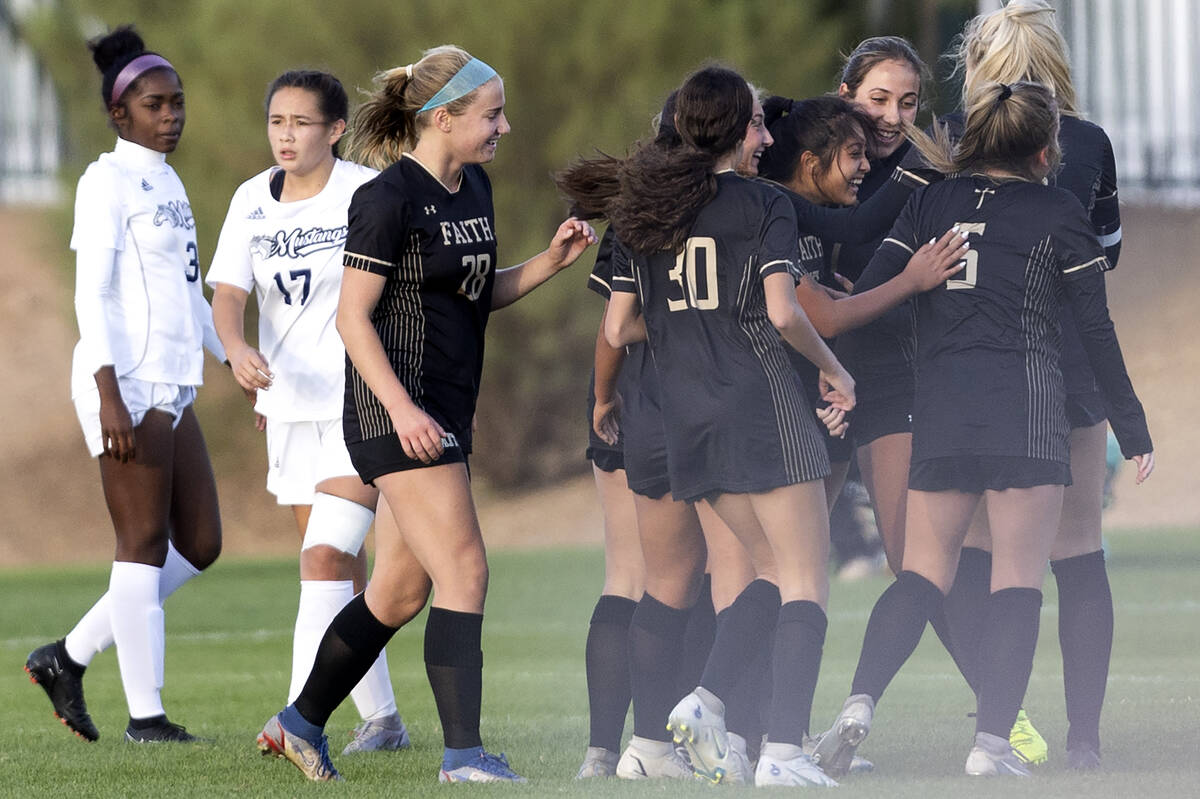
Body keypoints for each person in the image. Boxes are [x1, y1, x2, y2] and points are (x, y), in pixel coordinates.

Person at [254, 45, 596, 783]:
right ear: (443, 118)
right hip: (396, 415)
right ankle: (464, 757)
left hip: (441, 411)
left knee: (400, 590)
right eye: (491, 114)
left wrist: (549, 262)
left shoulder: (473, 187)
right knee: (466, 570)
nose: (504, 125)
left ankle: (298, 721)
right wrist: (404, 408)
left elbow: (477, 294)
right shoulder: (385, 200)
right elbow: (352, 319)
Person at [811, 81, 1153, 779]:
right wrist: (1133, 425)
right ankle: (990, 746)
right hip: (1027, 414)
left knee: (922, 575)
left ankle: (858, 701)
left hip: (940, 414)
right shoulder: (1059, 212)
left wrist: (835, 367)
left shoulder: (933, 202)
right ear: (1043, 148)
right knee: (1018, 581)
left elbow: (878, 288)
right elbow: (1095, 328)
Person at [938, 0, 1127, 770]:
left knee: (971, 554)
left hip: (968, 368)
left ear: (978, 61)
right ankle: (1083, 740)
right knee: (1078, 549)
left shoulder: (948, 138)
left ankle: (998, 721)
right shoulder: (1086, 143)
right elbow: (1105, 255)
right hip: (1069, 365)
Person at [24, 25, 225, 744]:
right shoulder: (103, 182)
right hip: (127, 381)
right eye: (154, 104)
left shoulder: (169, 183)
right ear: (120, 113)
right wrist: (109, 390)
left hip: (174, 381)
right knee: (139, 541)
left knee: (199, 542)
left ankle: (67, 656)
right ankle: (148, 716)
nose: (170, 115)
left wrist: (241, 360)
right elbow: (92, 295)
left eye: (177, 103)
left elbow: (194, 294)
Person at [207, 69, 411, 756]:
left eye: (301, 123)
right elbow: (230, 298)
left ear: (334, 130)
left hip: (355, 406)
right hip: (287, 409)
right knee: (340, 570)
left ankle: (296, 718)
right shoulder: (249, 201)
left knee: (325, 557)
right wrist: (236, 349)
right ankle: (382, 719)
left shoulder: (363, 192)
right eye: (276, 122)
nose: (286, 135)